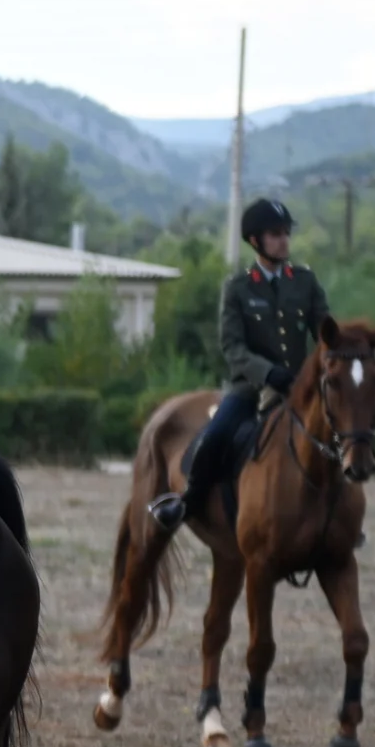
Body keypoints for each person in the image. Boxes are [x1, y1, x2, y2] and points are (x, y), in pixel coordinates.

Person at [150, 196, 330, 535]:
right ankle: (188, 501)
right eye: (275, 234)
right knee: (215, 436)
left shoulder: (305, 282)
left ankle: (343, 520)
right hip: (250, 389)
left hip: (301, 389)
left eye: (286, 233)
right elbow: (232, 347)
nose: (283, 240)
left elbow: (326, 333)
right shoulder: (238, 288)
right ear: (255, 241)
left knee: (342, 435)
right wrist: (268, 373)